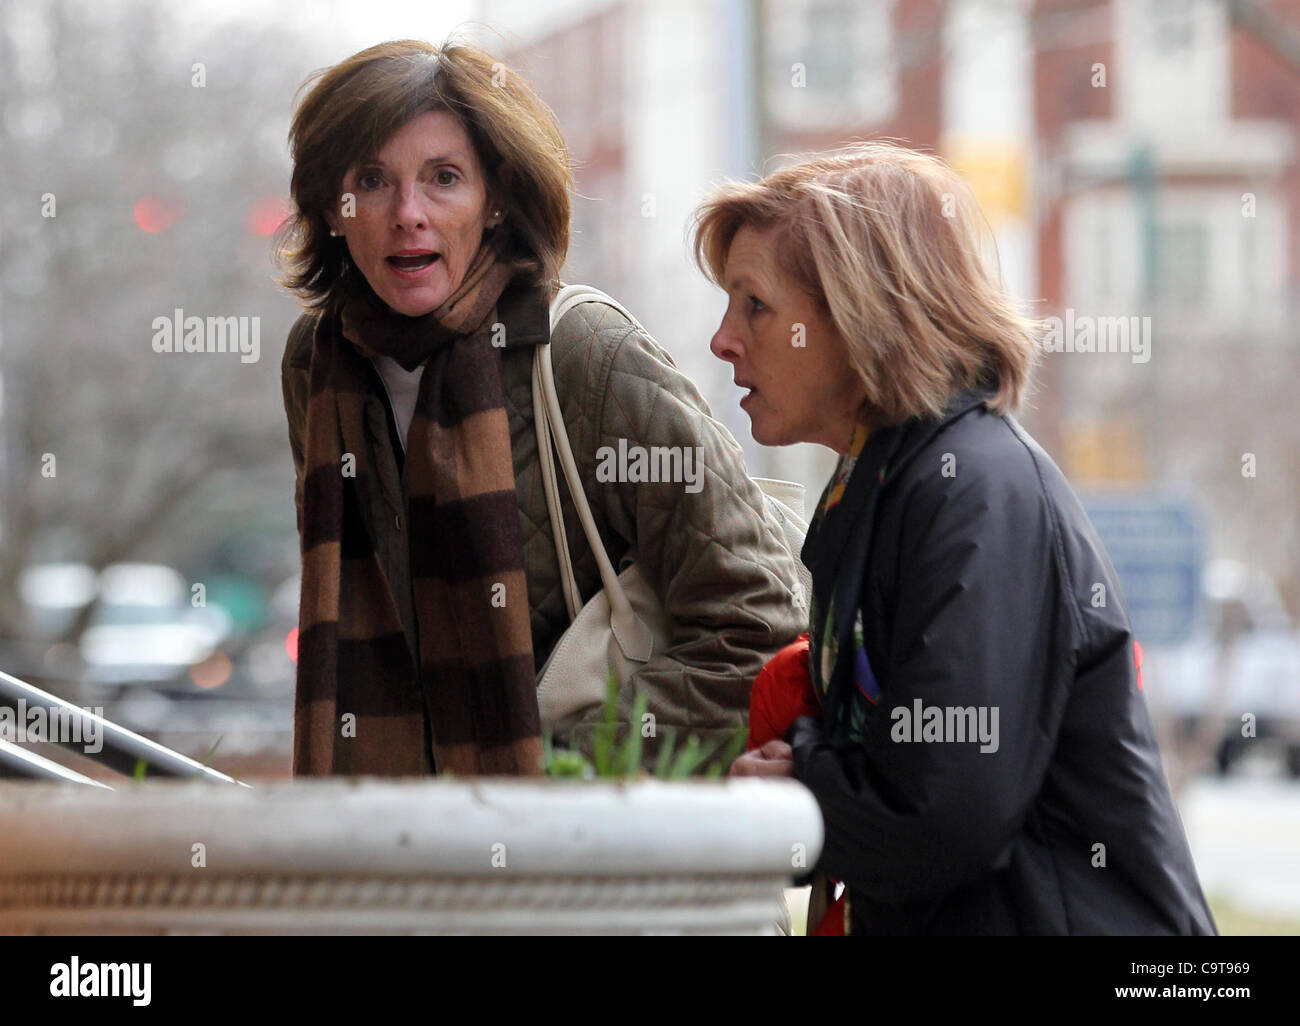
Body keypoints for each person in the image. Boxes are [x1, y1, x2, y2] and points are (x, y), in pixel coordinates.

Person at [702, 142, 1217, 935]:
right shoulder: (888, 485)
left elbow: (945, 813)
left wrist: (803, 784)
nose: (723, 340)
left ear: (858, 311)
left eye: (755, 305)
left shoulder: (975, 491)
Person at [277, 39, 804, 777]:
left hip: (581, 849)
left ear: (495, 201)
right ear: (332, 208)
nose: (408, 214)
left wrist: (566, 768)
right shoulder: (319, 365)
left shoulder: (586, 353)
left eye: (444, 179)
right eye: (371, 180)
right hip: (405, 849)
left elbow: (760, 623)